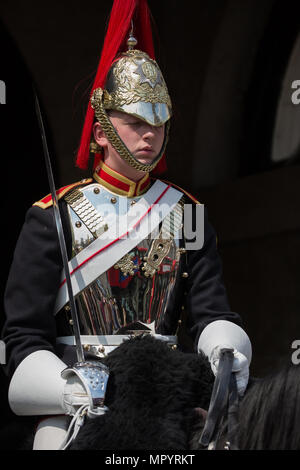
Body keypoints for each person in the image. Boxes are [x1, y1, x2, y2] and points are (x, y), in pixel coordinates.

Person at [1, 0, 252, 450]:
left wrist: (223, 347)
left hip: (169, 396)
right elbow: (24, 335)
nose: (149, 134)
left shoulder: (188, 212)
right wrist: (69, 388)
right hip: (80, 396)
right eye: (135, 123)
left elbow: (210, 310)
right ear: (101, 132)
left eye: (158, 122)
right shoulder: (52, 216)